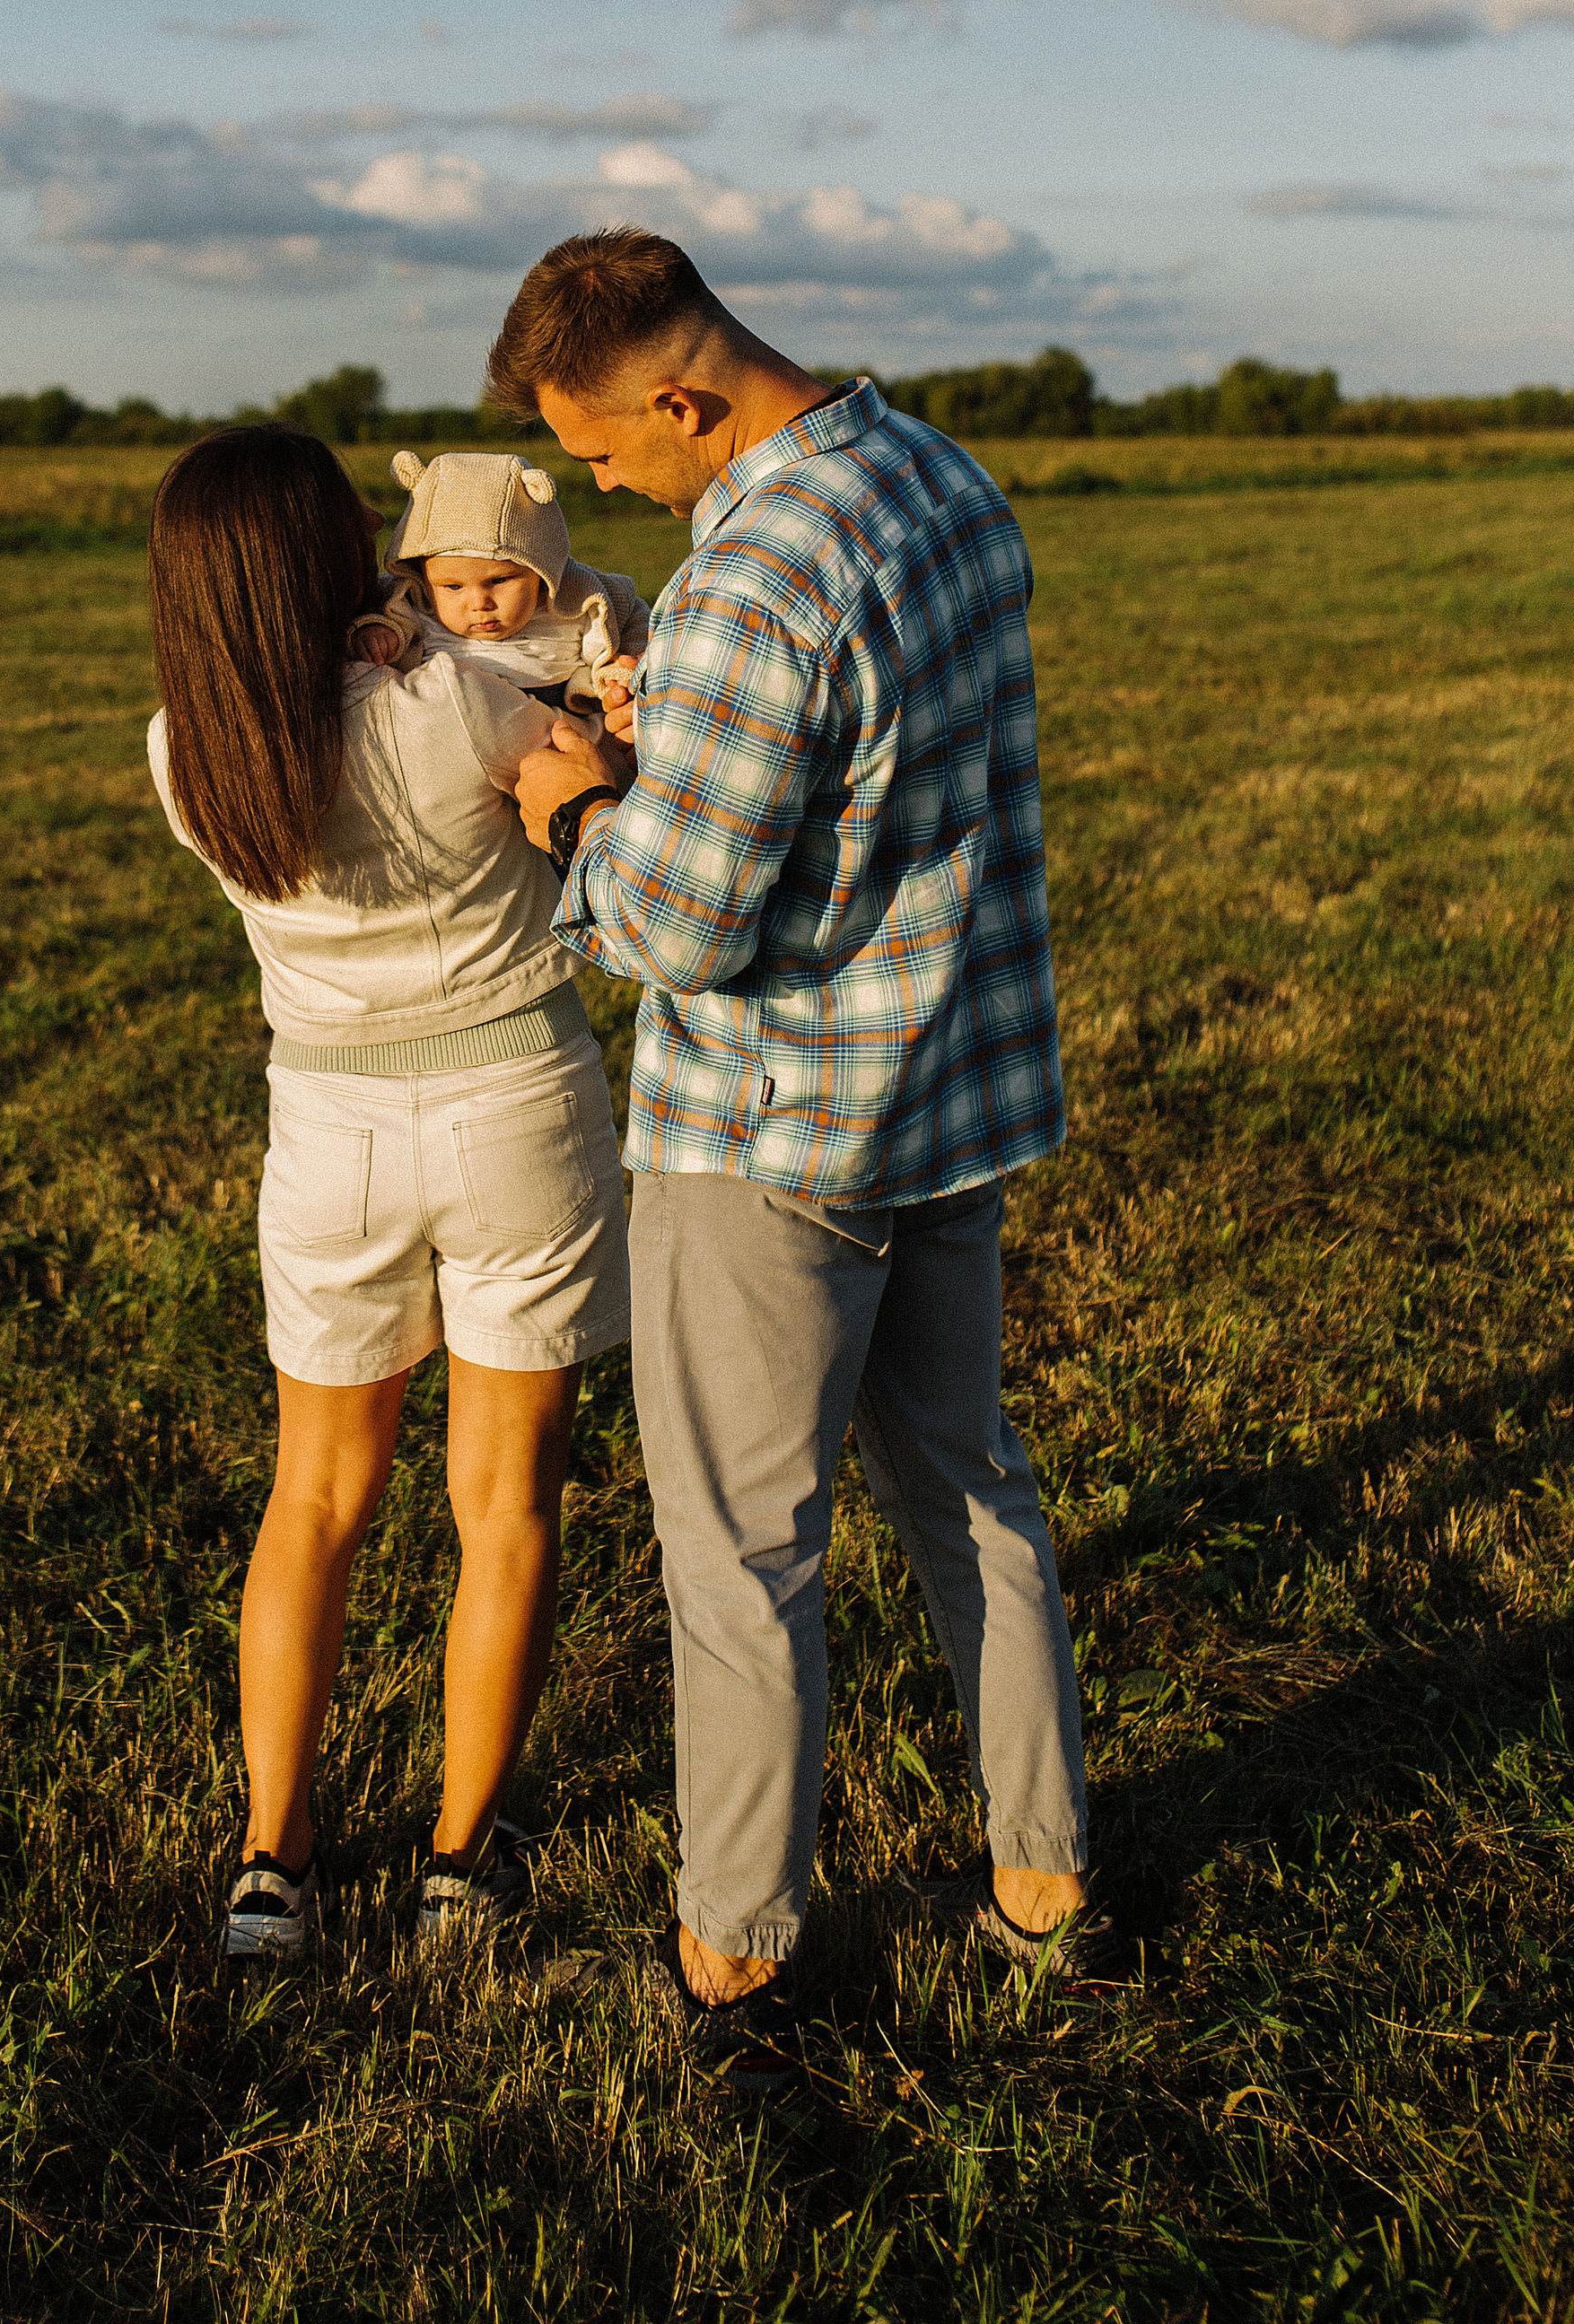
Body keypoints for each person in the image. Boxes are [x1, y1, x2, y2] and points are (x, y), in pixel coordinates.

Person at [492, 229, 1118, 2093]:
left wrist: (577, 809)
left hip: (771, 1132)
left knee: (744, 1553)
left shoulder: (754, 569)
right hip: (948, 1095)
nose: (604, 485)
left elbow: (679, 924)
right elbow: (866, 780)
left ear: (683, 399)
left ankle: (735, 1962)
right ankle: (1046, 1887)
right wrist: (670, 745)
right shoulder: (937, 475)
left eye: (604, 450)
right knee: (970, 1489)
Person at [144, 424, 631, 1973]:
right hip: (515, 1109)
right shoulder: (458, 699)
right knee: (505, 1506)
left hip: (328, 1133)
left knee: (314, 1500)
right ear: (324, 556)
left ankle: (272, 1862)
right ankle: (459, 1865)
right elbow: (591, 790)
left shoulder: (184, 751)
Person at [351, 445, 650, 712]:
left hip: (560, 715)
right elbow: (380, 610)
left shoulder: (579, 601)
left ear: (540, 569)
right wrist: (377, 632)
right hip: (458, 726)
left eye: (499, 581)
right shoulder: (414, 609)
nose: (480, 603)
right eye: (453, 587)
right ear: (423, 580)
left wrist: (621, 663)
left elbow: (632, 613)